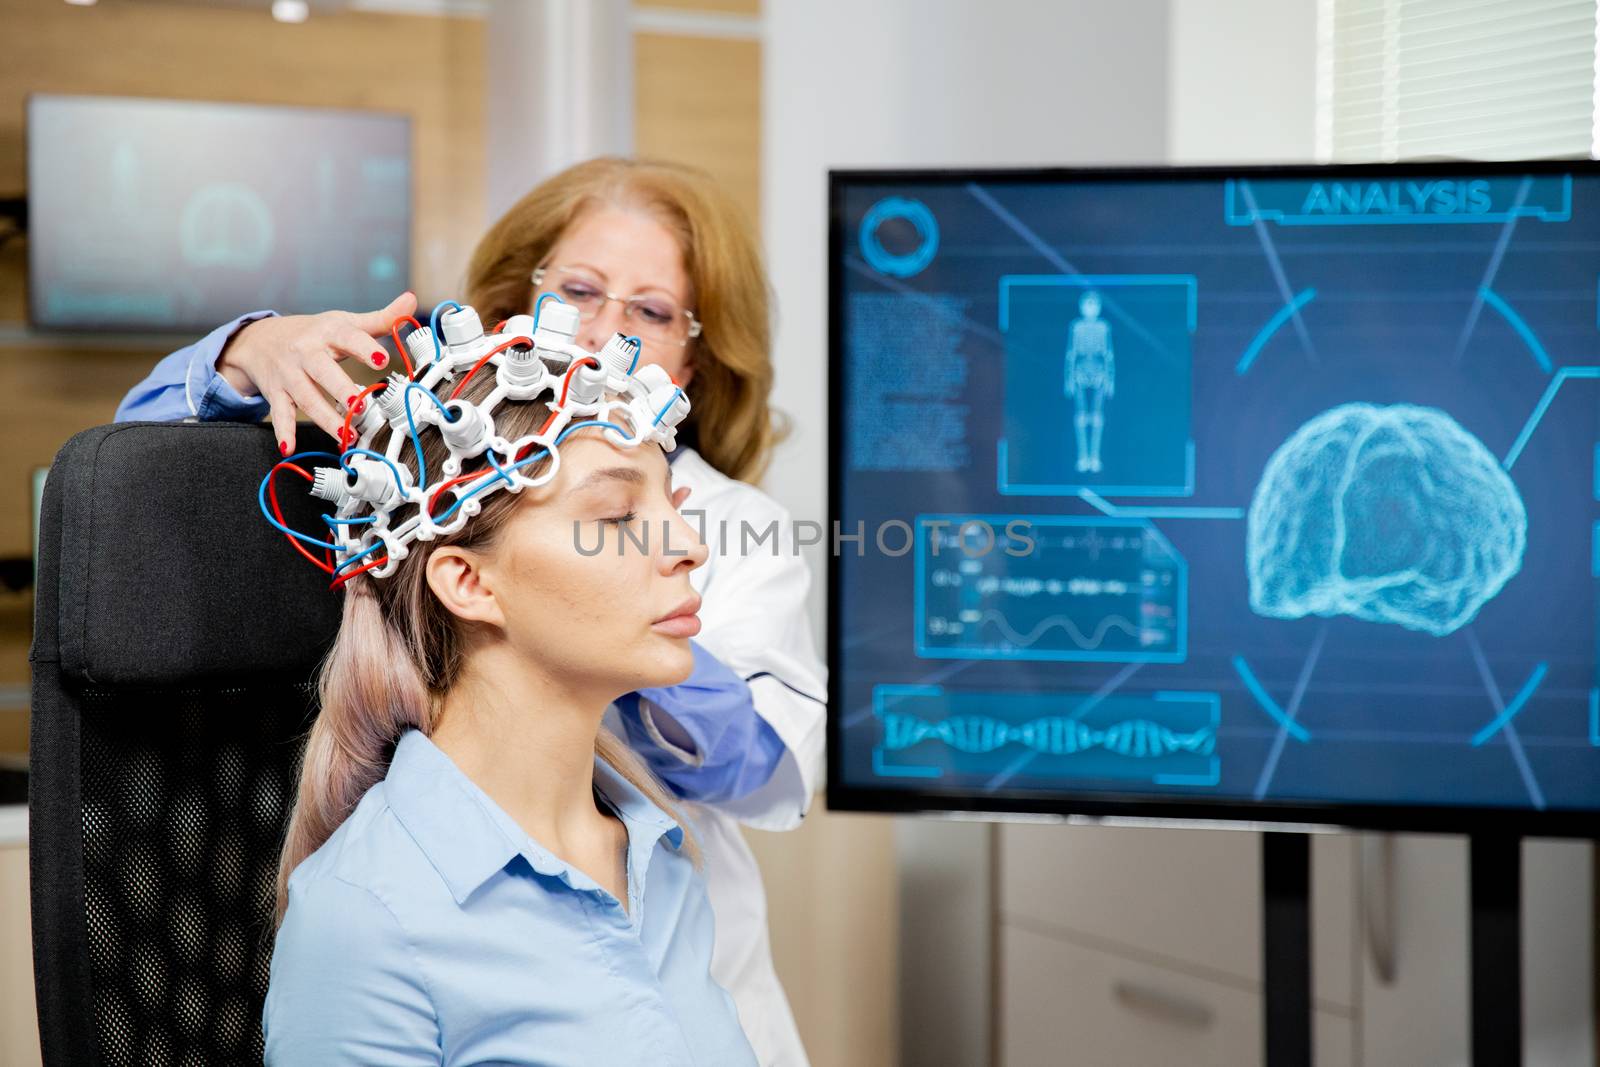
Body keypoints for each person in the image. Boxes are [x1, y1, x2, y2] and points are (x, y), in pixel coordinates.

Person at [116, 156, 826, 1066]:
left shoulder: (664, 860)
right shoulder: (432, 467)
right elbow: (129, 493)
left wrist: (615, 615)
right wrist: (241, 355)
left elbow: (769, 771)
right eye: (578, 290)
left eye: (651, 310)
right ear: (508, 310)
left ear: (693, 353)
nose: (605, 327)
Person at [259, 350, 756, 1064]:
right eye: (617, 517)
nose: (689, 546)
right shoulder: (367, 918)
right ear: (467, 581)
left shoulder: (663, 861)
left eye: (671, 508)